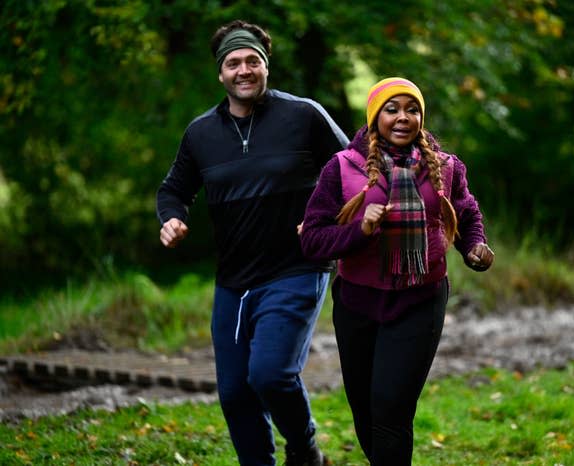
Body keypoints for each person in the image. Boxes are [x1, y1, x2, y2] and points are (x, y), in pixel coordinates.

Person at [156, 19, 348, 466]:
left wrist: (330, 221)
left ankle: (305, 448)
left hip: (298, 267)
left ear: (266, 67)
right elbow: (173, 190)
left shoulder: (303, 115)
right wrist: (171, 218)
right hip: (234, 282)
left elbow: (353, 169)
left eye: (252, 61)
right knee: (235, 392)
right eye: (233, 63)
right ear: (221, 74)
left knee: (270, 375)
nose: (244, 70)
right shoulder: (201, 133)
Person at [299, 77, 494, 465]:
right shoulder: (342, 168)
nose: (403, 117)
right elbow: (313, 239)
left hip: (420, 300)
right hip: (357, 302)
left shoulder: (445, 167)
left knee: (391, 408)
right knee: (366, 412)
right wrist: (360, 230)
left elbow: (467, 211)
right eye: (393, 109)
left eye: (412, 109)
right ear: (375, 117)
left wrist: (474, 246)